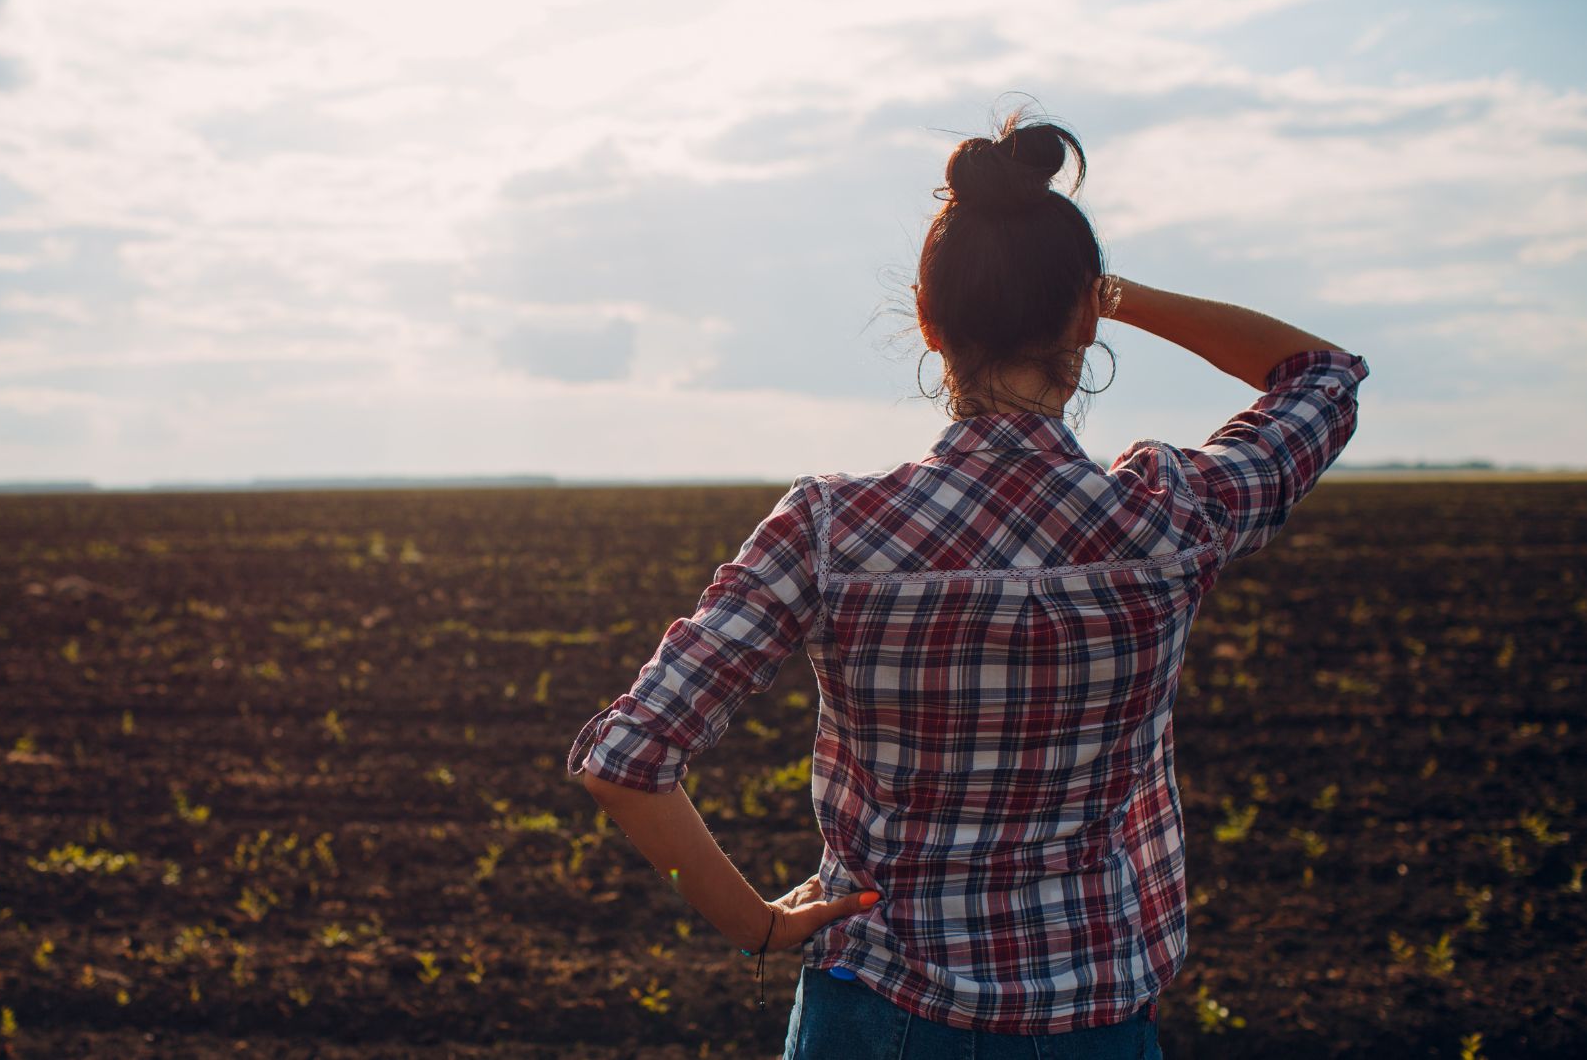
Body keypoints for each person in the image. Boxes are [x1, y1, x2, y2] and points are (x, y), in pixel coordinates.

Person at [565, 108, 1368, 1059]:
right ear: (1081, 319)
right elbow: (1321, 376)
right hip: (1094, 1020)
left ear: (927, 320)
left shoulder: (832, 528)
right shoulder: (1170, 516)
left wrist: (759, 925)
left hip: (874, 1014)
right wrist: (1113, 294)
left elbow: (628, 761)